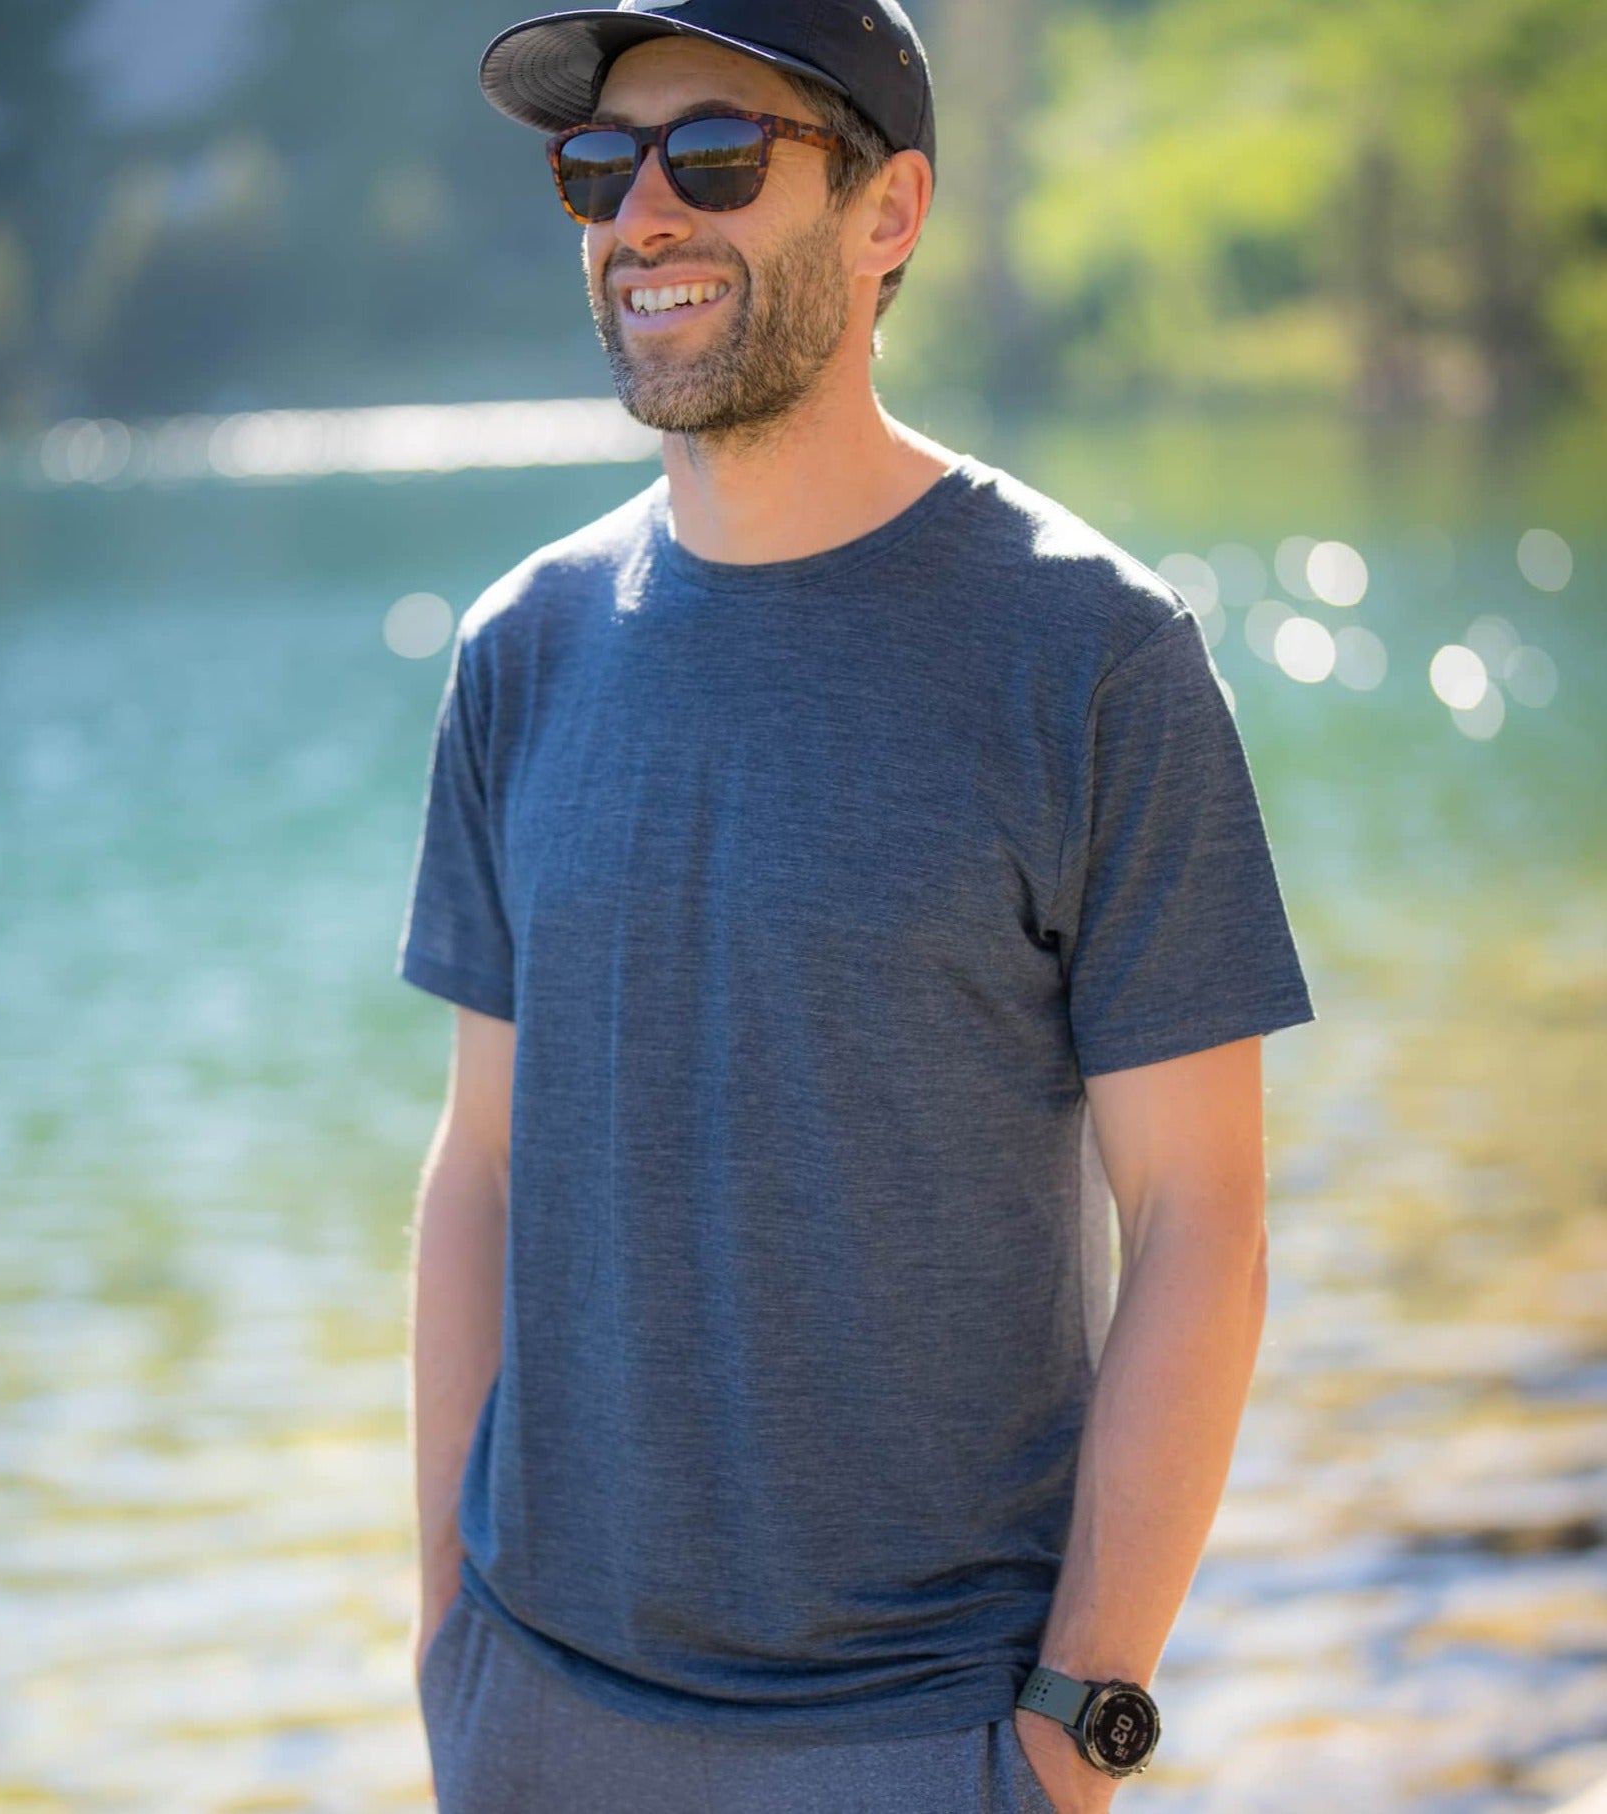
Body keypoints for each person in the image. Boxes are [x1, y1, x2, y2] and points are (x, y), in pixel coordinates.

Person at [396, 2, 1317, 1809]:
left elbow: (1199, 1219)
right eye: (600, 167)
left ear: (887, 212)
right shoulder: (522, 650)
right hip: (538, 1713)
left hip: (920, 1738)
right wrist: (444, 1628)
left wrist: (1076, 1724)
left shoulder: (1094, 660)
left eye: (715, 157)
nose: (640, 215)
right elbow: (477, 1165)